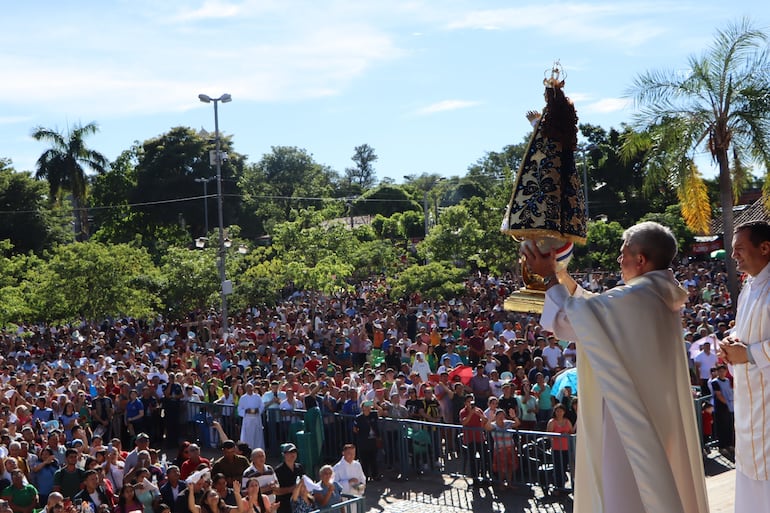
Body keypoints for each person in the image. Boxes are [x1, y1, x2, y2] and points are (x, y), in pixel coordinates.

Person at [527, 221, 709, 513]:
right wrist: (560, 274)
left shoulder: (640, 296)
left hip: (627, 421)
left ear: (640, 259)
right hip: (650, 411)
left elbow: (573, 320)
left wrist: (549, 277)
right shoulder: (655, 293)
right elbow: (592, 306)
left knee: (625, 496)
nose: (618, 259)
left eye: (623, 252)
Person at [719, 221, 770, 511]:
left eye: (740, 249)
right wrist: (732, 339)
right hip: (750, 400)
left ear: (765, 248)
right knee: (750, 470)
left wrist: (748, 354)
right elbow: (748, 327)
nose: (734, 256)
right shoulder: (750, 285)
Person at [709, 364, 734, 457]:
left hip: (729, 406)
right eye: (720, 371)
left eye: (723, 371)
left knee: (729, 426)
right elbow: (718, 395)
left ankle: (729, 444)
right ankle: (722, 446)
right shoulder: (715, 382)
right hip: (720, 407)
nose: (722, 373)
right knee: (721, 427)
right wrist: (727, 402)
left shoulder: (728, 381)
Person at [272, 444, 303, 513]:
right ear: (284, 454)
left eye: (294, 451)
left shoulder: (299, 467)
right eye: (290, 452)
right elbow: (276, 490)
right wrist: (292, 489)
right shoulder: (278, 471)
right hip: (285, 504)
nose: (293, 454)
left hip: (298, 503)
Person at [237, 384, 265, 451]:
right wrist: (246, 411)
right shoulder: (243, 398)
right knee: (247, 436)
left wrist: (258, 410)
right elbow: (239, 409)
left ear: (253, 388)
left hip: (256, 419)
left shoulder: (257, 397)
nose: (249, 389)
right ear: (246, 389)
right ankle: (247, 450)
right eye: (248, 388)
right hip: (248, 420)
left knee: (257, 436)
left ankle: (258, 449)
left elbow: (262, 406)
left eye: (250, 387)